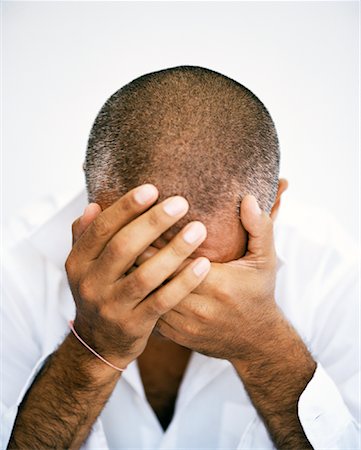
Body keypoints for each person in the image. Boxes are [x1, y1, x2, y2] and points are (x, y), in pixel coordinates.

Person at [1, 66, 359, 450]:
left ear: (272, 211)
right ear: (93, 201)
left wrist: (265, 347)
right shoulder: (14, 266)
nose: (166, 293)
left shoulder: (332, 273)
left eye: (202, 270)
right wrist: (92, 350)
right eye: (140, 263)